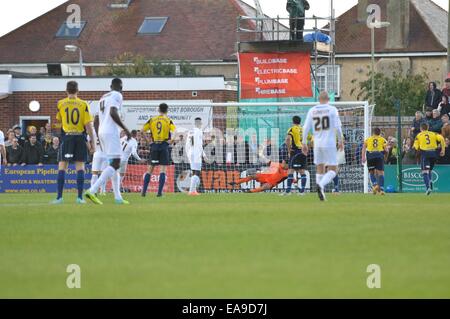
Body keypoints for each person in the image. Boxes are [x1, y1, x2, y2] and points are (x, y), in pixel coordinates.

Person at [85, 78, 131, 205]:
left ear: (110, 86)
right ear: (121, 87)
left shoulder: (103, 97)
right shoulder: (118, 95)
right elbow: (112, 112)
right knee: (116, 164)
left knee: (113, 165)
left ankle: (118, 197)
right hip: (111, 132)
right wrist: (125, 128)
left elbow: (96, 119)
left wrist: (99, 133)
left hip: (102, 132)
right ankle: (92, 190)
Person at [52, 81, 95, 204]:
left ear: (66, 90)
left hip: (67, 137)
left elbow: (59, 120)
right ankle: (79, 198)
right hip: (80, 137)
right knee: (80, 167)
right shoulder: (83, 104)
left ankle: (59, 198)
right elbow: (88, 126)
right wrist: (92, 143)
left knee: (62, 167)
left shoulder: (60, 103)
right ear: (78, 90)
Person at [302, 91, 344, 201]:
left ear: (319, 99)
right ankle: (321, 185)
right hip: (329, 143)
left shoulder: (312, 110)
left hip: (317, 144)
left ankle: (322, 193)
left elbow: (306, 127)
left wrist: (304, 143)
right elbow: (338, 127)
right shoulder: (332, 109)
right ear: (328, 99)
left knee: (319, 168)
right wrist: (340, 141)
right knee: (333, 170)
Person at [141, 103, 176, 198]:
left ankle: (143, 192)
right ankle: (159, 193)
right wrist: (170, 141)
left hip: (154, 145)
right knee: (163, 170)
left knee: (150, 169)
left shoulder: (152, 119)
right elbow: (174, 132)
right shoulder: (168, 120)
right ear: (167, 110)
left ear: (158, 110)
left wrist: (149, 142)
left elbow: (142, 130)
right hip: (164, 145)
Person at [413, 122, 445, 195]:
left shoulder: (419, 135)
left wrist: (415, 148)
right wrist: (443, 150)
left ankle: (428, 188)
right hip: (434, 154)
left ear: (421, 128)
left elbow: (416, 146)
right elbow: (442, 139)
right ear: (428, 127)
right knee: (429, 170)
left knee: (425, 172)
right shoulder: (434, 134)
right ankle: (430, 185)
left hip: (425, 154)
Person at [281, 116, 307, 196]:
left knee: (290, 170)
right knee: (302, 171)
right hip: (302, 151)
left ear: (293, 121)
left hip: (295, 151)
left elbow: (288, 139)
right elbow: (309, 139)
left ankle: (288, 191)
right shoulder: (303, 129)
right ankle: (302, 191)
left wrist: (289, 150)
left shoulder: (292, 129)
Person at [362, 128, 388, 195]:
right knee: (381, 173)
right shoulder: (383, 139)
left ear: (373, 133)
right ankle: (381, 189)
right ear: (379, 133)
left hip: (370, 155)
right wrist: (385, 157)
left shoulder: (368, 139)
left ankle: (375, 185)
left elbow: (364, 148)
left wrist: (363, 157)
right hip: (379, 155)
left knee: (371, 172)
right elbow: (386, 150)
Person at [185, 118, 205, 196]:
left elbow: (187, 144)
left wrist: (188, 154)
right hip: (196, 153)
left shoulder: (190, 131)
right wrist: (204, 155)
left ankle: (193, 190)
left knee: (194, 171)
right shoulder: (199, 131)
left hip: (190, 153)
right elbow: (199, 145)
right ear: (200, 123)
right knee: (197, 172)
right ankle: (191, 191)